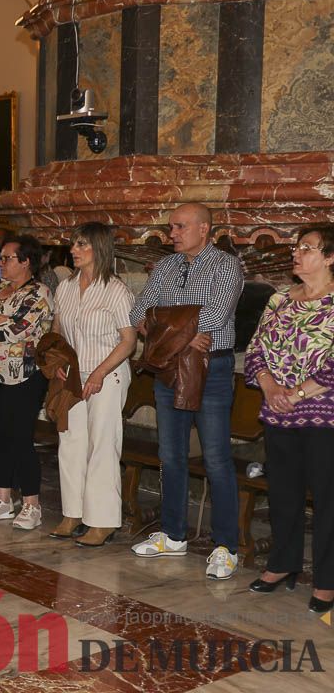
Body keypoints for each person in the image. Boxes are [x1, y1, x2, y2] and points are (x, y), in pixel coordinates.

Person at [129, 203, 244, 580]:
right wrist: (181, 331)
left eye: (180, 226)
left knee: (215, 458)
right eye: (171, 226)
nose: (172, 233)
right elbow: (139, 312)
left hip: (211, 368)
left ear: (204, 229)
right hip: (167, 368)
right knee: (171, 454)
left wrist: (165, 326)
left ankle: (226, 546)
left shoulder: (226, 265)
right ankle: (174, 534)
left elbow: (216, 316)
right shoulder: (165, 266)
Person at [244, 225, 334, 614]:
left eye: (308, 248)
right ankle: (283, 562)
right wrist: (268, 387)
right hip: (278, 412)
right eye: (297, 247)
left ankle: (328, 580)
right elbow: (255, 349)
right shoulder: (279, 299)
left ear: (330, 257)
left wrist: (295, 394)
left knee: (328, 500)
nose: (297, 254)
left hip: (323, 416)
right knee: (283, 492)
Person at [51, 223, 137, 546]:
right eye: (73, 244)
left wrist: (99, 372)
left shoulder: (116, 290)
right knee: (70, 442)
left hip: (108, 374)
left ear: (99, 248)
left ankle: (101, 521)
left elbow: (128, 341)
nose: (73, 250)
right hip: (74, 374)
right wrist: (59, 362)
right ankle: (73, 513)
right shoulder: (66, 289)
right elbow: (58, 330)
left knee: (102, 445)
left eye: (81, 245)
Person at [0, 235, 54, 530]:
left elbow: (19, 330)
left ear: (26, 262)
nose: (0, 263)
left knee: (19, 437)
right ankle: (2, 498)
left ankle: (31, 504)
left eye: (7, 258)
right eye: (0, 258)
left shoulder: (38, 293)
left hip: (24, 375)